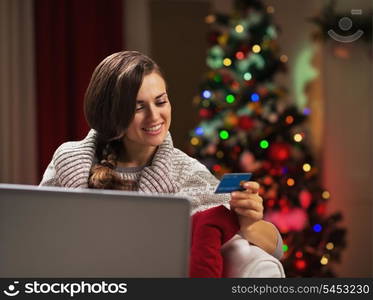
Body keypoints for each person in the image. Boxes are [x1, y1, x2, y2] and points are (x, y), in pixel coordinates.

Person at [40, 51, 283, 277]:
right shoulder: (69, 159)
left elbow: (276, 249)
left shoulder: (187, 173)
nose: (155, 116)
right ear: (111, 113)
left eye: (160, 101)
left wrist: (249, 225)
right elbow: (36, 231)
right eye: (138, 107)